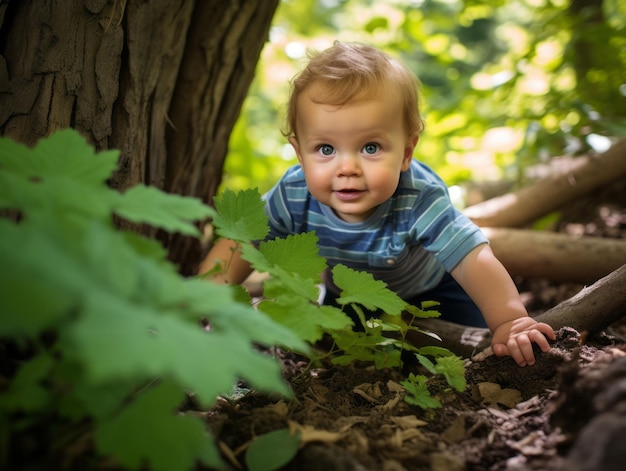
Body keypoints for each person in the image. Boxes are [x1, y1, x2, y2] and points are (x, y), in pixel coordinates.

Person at [199, 42, 555, 367]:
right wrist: (206, 292)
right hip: (347, 292)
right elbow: (244, 238)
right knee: (335, 353)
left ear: (406, 152)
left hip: (431, 289)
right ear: (299, 153)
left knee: (479, 352)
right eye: (326, 149)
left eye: (370, 147)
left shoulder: (418, 197)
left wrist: (509, 320)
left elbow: (471, 257)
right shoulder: (294, 193)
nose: (348, 168)